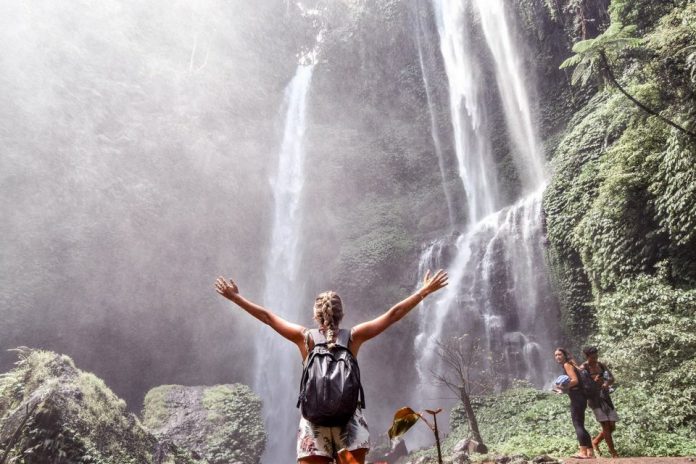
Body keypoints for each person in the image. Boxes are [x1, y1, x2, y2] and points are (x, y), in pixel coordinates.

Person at [215, 269, 449, 464]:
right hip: (350, 421)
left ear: (316, 315)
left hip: (313, 423)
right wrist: (424, 291)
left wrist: (236, 297)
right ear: (341, 314)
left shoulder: (303, 337)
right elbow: (393, 315)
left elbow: (267, 317)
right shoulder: (353, 337)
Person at [553, 348, 595, 459]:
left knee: (577, 424)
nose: (557, 357)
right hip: (579, 396)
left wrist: (562, 386)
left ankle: (582, 452)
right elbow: (576, 383)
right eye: (556, 355)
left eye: (559, 354)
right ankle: (590, 452)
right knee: (580, 424)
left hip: (577, 397)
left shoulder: (567, 365)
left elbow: (575, 380)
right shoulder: (571, 364)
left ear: (565, 355)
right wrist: (563, 390)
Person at [582, 346, 619, 458]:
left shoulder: (601, 365)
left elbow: (611, 378)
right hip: (594, 399)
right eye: (593, 357)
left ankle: (595, 441)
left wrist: (606, 384)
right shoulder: (584, 368)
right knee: (606, 426)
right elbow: (583, 385)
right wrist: (594, 381)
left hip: (605, 397)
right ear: (587, 356)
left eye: (596, 356)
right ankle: (613, 452)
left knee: (612, 426)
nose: (595, 359)